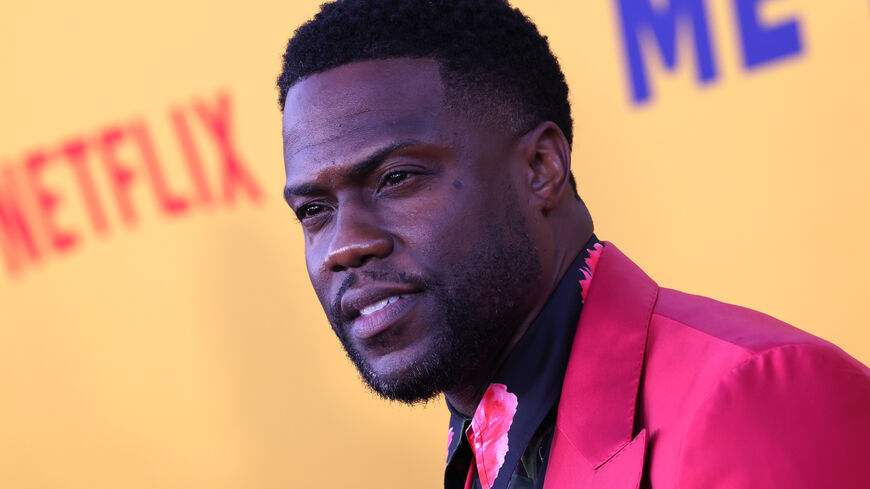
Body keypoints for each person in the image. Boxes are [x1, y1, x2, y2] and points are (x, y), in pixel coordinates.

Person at [276, 1, 870, 488]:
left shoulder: (752, 402)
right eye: (314, 211)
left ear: (541, 167)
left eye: (398, 178)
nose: (344, 246)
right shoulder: (483, 453)